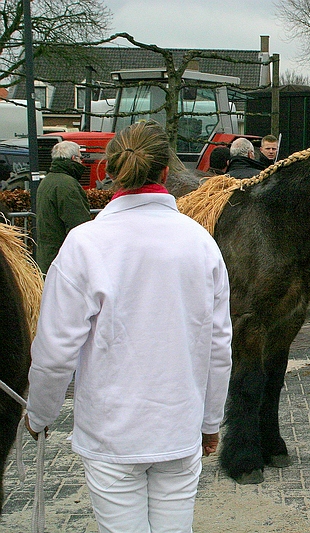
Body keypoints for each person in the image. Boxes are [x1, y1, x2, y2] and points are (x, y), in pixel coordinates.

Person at [25, 120, 233, 533]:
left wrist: (39, 413)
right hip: (178, 426)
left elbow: (55, 350)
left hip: (112, 433)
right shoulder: (200, 242)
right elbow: (219, 346)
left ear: (111, 171)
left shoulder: (85, 244)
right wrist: (210, 422)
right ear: (164, 173)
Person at [35, 140, 92, 275]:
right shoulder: (67, 185)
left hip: (47, 256)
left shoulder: (48, 180)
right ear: (73, 159)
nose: (82, 162)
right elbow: (79, 226)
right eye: (80, 158)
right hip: (63, 259)